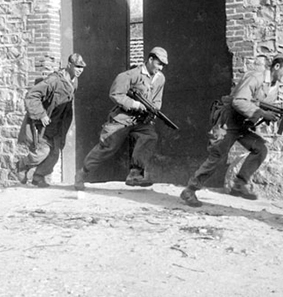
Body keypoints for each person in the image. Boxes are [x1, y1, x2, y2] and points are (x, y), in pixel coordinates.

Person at [180, 54, 283, 207]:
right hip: (228, 122)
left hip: (243, 125)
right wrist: (262, 114)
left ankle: (239, 184)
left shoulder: (274, 88)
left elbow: (259, 106)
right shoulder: (255, 78)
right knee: (218, 156)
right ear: (277, 66)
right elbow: (239, 101)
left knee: (260, 149)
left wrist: (271, 117)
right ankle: (190, 190)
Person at [74, 46, 169, 190]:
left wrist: (153, 111)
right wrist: (135, 104)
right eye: (159, 63)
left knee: (150, 136)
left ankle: (135, 174)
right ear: (150, 59)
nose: (161, 68)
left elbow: (157, 100)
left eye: (163, 65)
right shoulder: (130, 75)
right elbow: (116, 94)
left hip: (141, 120)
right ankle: (82, 174)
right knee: (107, 147)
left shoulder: (160, 79)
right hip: (122, 118)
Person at [16, 53, 87, 187]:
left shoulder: (74, 81)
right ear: (69, 65)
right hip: (44, 121)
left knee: (55, 152)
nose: (80, 70)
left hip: (59, 123)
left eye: (82, 68)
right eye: (77, 67)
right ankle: (23, 163)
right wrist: (41, 114)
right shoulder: (54, 80)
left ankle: (38, 177)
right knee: (43, 151)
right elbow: (32, 96)